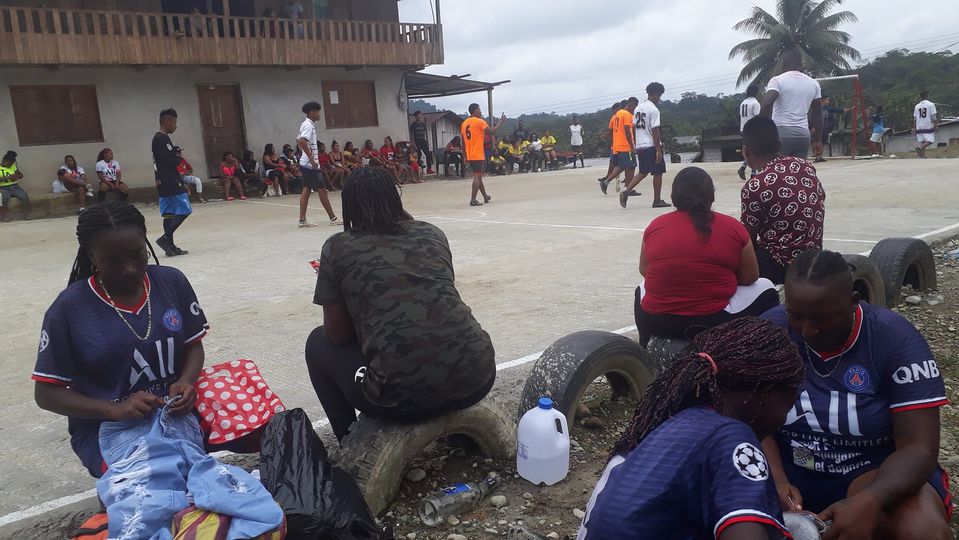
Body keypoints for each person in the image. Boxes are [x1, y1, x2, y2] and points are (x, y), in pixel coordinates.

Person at [761, 249, 953, 540]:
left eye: (823, 318)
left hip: (870, 471)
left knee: (922, 530)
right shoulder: (768, 331)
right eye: (796, 316)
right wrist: (774, 479)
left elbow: (919, 449)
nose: (808, 331)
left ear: (853, 303)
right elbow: (746, 415)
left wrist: (872, 500)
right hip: (788, 467)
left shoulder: (893, 339)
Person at [306, 167, 495, 441]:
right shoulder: (432, 233)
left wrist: (348, 294)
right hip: (479, 375)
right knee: (429, 332)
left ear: (349, 206)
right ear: (396, 197)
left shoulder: (337, 248)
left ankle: (349, 442)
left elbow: (338, 336)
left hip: (400, 398)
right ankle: (460, 439)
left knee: (317, 344)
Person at [578, 317, 803, 539]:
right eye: (787, 409)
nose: (782, 421)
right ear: (767, 395)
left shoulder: (667, 420)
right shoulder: (730, 437)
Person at [32, 201, 209, 478]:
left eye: (138, 255)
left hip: (176, 412)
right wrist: (114, 409)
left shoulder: (171, 282)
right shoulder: (69, 309)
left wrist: (186, 380)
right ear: (91, 256)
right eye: (113, 261)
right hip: (106, 425)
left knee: (256, 429)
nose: (129, 269)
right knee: (155, 481)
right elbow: (46, 394)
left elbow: (193, 346)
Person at [634, 167, 778, 346]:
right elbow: (750, 277)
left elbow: (644, 270)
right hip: (712, 320)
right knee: (766, 286)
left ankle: (644, 343)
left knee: (641, 287)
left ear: (673, 198)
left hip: (658, 321)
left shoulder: (655, 225)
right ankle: (760, 347)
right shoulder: (733, 227)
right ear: (712, 197)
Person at [740, 116, 825, 285]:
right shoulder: (806, 167)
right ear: (779, 143)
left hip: (780, 267)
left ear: (746, 151)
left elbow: (748, 239)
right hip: (813, 259)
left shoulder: (755, 186)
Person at [762, 48, 823, 159]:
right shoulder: (814, 83)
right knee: (797, 169)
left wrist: (761, 129)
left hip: (781, 133)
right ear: (801, 66)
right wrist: (818, 140)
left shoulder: (777, 80)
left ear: (784, 64)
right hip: (803, 135)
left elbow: (767, 104)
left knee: (776, 168)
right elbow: (818, 113)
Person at [621, 82, 671, 209]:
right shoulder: (654, 110)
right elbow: (655, 130)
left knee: (643, 171)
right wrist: (658, 150)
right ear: (655, 94)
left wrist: (636, 143)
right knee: (658, 172)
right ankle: (657, 200)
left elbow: (634, 127)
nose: (659, 98)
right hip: (651, 145)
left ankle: (626, 191)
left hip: (640, 145)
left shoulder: (638, 108)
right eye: (659, 95)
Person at [152, 108, 192, 257]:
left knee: (169, 213)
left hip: (162, 180)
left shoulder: (157, 139)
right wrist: (177, 156)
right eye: (174, 122)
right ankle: (164, 238)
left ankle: (170, 246)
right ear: (167, 121)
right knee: (185, 209)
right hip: (170, 180)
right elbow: (171, 161)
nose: (175, 126)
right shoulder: (162, 139)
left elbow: (161, 160)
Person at [296, 101, 339, 227]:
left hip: (305, 163)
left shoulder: (305, 124)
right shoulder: (309, 125)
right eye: (318, 112)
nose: (319, 114)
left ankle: (302, 220)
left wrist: (305, 156)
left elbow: (298, 140)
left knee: (306, 190)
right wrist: (311, 159)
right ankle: (333, 218)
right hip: (310, 165)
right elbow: (302, 141)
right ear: (311, 113)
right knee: (322, 190)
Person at [461, 103, 506, 207]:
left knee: (478, 175)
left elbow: (463, 142)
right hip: (477, 153)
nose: (480, 111)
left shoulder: (464, 123)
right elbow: (492, 131)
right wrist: (501, 121)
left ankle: (485, 196)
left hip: (470, 154)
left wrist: (465, 156)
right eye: (479, 109)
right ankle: (473, 200)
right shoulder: (479, 121)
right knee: (477, 176)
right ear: (474, 110)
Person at [597, 97, 638, 197]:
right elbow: (627, 130)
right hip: (625, 145)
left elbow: (611, 131)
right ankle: (628, 189)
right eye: (635, 106)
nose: (634, 109)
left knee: (621, 166)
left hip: (617, 145)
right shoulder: (627, 115)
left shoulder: (617, 115)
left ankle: (606, 182)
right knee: (631, 166)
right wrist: (632, 146)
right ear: (631, 104)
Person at [597, 101, 627, 191]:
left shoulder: (616, 117)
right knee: (622, 163)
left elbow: (612, 131)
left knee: (618, 163)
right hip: (621, 144)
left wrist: (606, 136)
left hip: (616, 144)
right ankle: (609, 178)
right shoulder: (622, 116)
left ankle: (609, 178)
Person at [737, 85, 762, 180]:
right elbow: (757, 118)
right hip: (752, 129)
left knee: (750, 151)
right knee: (754, 151)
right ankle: (753, 174)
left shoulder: (743, 103)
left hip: (743, 129)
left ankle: (744, 168)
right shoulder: (755, 103)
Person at [816, 95, 848, 162]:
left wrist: (848, 109)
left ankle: (820, 156)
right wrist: (812, 126)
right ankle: (817, 156)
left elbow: (837, 110)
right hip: (818, 127)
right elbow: (813, 117)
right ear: (823, 100)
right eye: (827, 100)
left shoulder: (829, 108)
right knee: (817, 141)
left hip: (825, 128)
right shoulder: (817, 108)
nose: (828, 101)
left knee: (823, 142)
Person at [0, 150, 30, 221]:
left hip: (15, 187)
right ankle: (4, 216)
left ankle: (26, 214)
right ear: (4, 161)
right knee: (3, 199)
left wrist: (16, 176)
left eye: (12, 164)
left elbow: (21, 175)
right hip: (3, 188)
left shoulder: (12, 166)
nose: (11, 165)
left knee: (25, 196)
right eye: (10, 163)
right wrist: (8, 177)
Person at [913, 90, 939, 159]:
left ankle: (922, 156)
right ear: (927, 95)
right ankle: (919, 147)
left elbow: (915, 118)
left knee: (923, 141)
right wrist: (936, 125)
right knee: (930, 140)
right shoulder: (931, 104)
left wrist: (914, 127)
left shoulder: (917, 106)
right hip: (927, 125)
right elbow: (933, 116)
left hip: (919, 125)